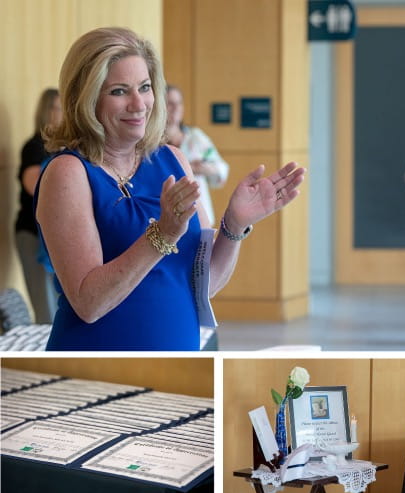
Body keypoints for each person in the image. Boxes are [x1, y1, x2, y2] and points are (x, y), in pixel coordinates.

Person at [34, 27, 306, 351]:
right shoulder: (68, 173)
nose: (139, 104)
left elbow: (204, 287)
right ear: (87, 97)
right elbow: (89, 304)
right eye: (120, 91)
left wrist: (233, 226)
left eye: (145, 87)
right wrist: (161, 236)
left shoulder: (173, 159)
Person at [15, 88, 62, 324]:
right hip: (33, 235)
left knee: (57, 306)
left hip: (55, 238)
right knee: (46, 310)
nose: (64, 113)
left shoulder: (64, 148)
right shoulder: (34, 147)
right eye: (59, 107)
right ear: (47, 111)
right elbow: (37, 188)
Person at [166, 84, 229, 225]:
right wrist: (187, 166)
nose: (176, 108)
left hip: (200, 216)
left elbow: (221, 169)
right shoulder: (152, 141)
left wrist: (203, 168)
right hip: (164, 218)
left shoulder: (196, 138)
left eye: (179, 103)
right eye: (170, 103)